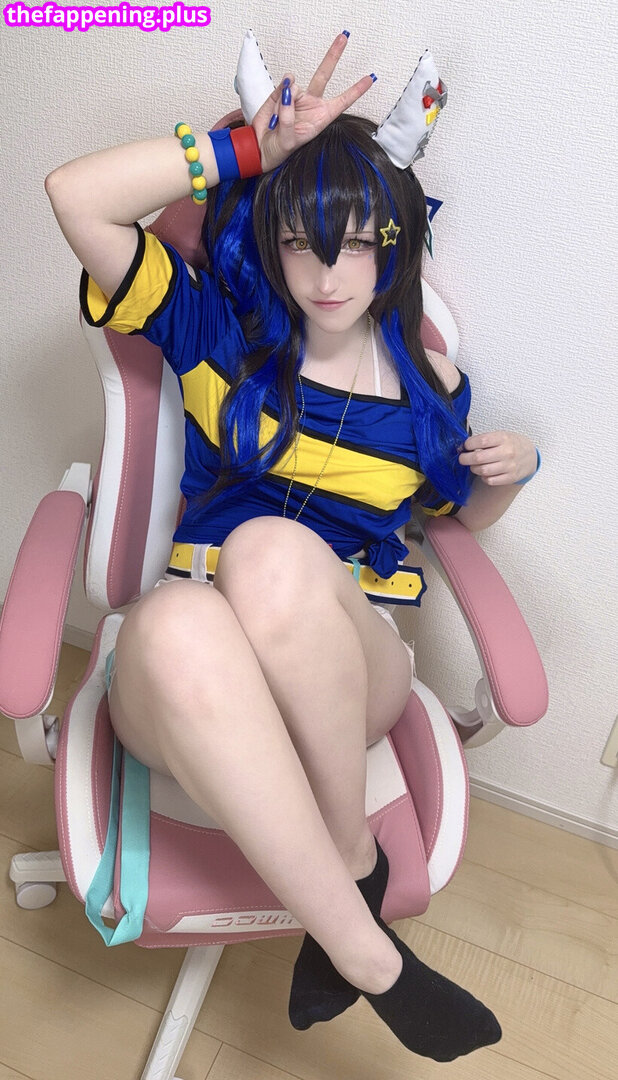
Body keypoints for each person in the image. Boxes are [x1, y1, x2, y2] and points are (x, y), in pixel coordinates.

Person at [45, 30, 538, 1061]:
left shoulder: (429, 393)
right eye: (304, 243)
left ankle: (350, 861)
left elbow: (452, 523)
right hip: (195, 693)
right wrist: (246, 151)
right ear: (269, 242)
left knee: (271, 552)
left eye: (355, 242)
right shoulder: (215, 335)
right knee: (172, 620)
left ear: (393, 244)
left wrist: (510, 473)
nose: (328, 273)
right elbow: (75, 196)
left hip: (345, 678)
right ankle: (363, 937)